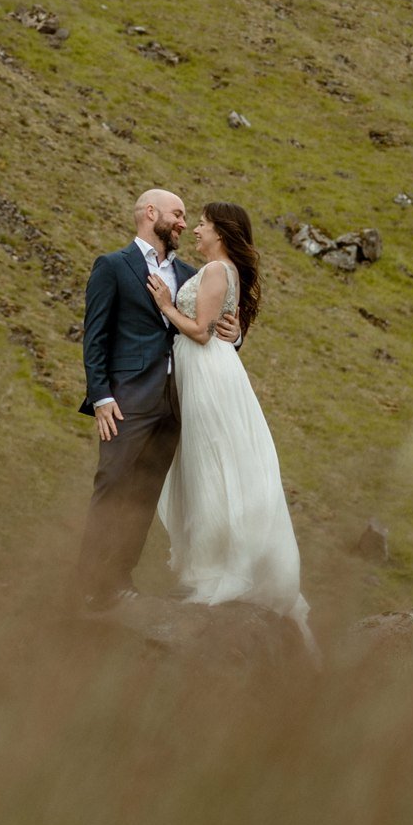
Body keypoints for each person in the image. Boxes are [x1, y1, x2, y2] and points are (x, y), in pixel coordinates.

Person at [148, 202, 316, 656]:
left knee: (212, 466)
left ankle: (221, 568)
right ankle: (213, 563)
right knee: (207, 467)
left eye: (201, 223)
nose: (196, 230)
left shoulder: (218, 270)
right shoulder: (217, 270)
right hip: (203, 371)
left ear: (219, 231)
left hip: (206, 375)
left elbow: (201, 331)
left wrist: (165, 304)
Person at [75, 188, 240, 609]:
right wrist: (101, 396)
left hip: (175, 403)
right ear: (151, 213)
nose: (185, 223)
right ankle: (87, 583)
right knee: (112, 486)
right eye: (178, 214)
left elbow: (204, 326)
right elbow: (95, 337)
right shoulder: (113, 266)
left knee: (144, 494)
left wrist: (235, 335)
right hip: (126, 400)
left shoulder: (189, 273)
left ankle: (118, 578)